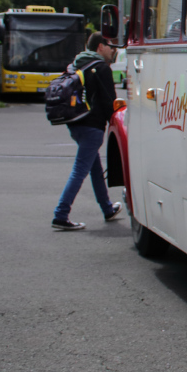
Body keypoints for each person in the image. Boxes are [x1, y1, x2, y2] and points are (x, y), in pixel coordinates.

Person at [52, 33, 122, 231]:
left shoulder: (76, 64)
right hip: (93, 126)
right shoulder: (101, 68)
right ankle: (61, 214)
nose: (113, 50)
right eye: (110, 46)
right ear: (100, 47)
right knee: (80, 170)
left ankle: (107, 208)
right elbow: (111, 102)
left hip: (74, 122)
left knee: (95, 169)